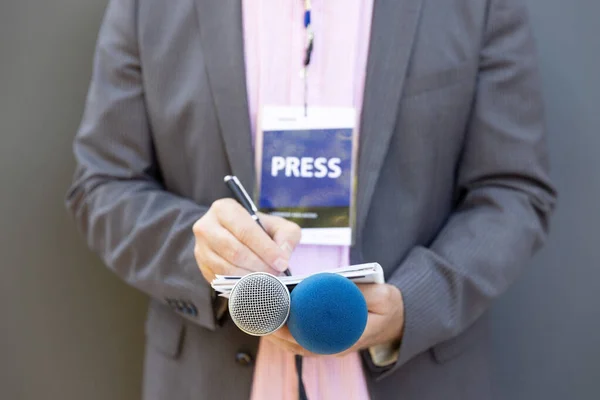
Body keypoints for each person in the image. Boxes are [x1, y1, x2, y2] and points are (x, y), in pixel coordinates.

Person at [65, 0, 557, 399]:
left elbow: (512, 191)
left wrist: (415, 305)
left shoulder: (480, 6)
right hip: (208, 377)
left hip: (416, 378)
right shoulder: (145, 7)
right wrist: (202, 255)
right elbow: (103, 184)